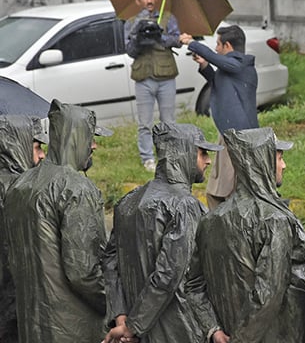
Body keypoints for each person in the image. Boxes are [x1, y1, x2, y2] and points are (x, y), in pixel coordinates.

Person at [188, 127, 305, 342]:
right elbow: (268, 292)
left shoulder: (211, 220)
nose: (284, 165)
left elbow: (193, 285)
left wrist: (214, 329)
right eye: (279, 158)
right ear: (263, 162)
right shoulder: (274, 220)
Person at [101, 123, 226, 343]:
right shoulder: (185, 206)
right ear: (183, 153)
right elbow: (168, 275)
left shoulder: (128, 201)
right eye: (202, 152)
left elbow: (110, 264)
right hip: (178, 331)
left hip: (137, 328)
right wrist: (132, 327)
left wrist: (122, 317)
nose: (208, 160)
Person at [2, 99, 112, 343]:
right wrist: (117, 305)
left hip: (32, 323)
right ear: (76, 137)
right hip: (73, 327)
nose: (94, 146)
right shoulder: (76, 188)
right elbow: (83, 271)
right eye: (91, 137)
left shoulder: (20, 184)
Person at [180, 25, 259, 209]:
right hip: (227, 135)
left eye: (218, 44)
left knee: (229, 191)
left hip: (240, 138)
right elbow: (218, 82)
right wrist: (204, 64)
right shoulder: (230, 68)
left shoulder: (241, 65)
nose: (216, 49)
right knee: (216, 190)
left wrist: (193, 43)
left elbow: (220, 61)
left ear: (228, 46)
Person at [124, 0, 181, 172]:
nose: (149, 1)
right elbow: (129, 51)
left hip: (166, 76)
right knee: (145, 123)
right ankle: (148, 158)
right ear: (138, 0)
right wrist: (140, 38)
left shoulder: (167, 17)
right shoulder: (131, 22)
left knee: (168, 121)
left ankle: (169, 156)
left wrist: (159, 37)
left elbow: (177, 40)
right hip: (143, 77)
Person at [0, 115, 47, 343]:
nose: (41, 155)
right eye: (37, 147)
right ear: (15, 145)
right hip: (14, 303)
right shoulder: (18, 189)